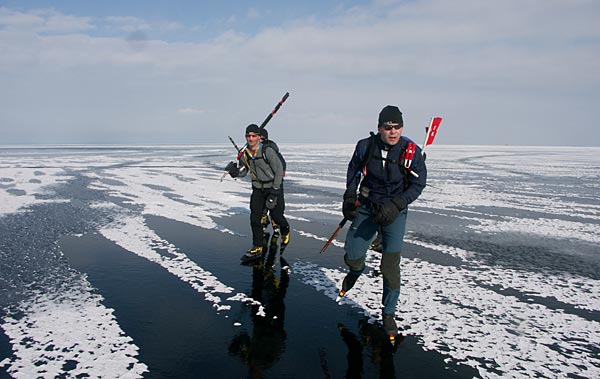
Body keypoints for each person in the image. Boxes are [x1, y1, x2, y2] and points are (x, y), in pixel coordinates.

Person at [340, 105, 427, 339]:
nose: (393, 132)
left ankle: (388, 314)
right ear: (379, 128)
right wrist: (349, 197)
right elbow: (354, 172)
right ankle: (356, 271)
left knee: (389, 267)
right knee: (352, 254)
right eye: (388, 127)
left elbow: (418, 184)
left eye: (397, 127)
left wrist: (397, 205)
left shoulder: (411, 151)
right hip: (368, 207)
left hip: (395, 211)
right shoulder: (365, 146)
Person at [226, 124, 290, 262]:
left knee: (277, 216)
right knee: (255, 218)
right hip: (257, 189)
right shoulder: (246, 154)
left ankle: (285, 229)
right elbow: (244, 171)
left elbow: (279, 171)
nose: (251, 138)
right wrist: (234, 172)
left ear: (259, 137)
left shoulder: (267, 151)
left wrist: (274, 191)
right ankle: (258, 246)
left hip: (273, 186)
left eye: (253, 136)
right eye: (248, 136)